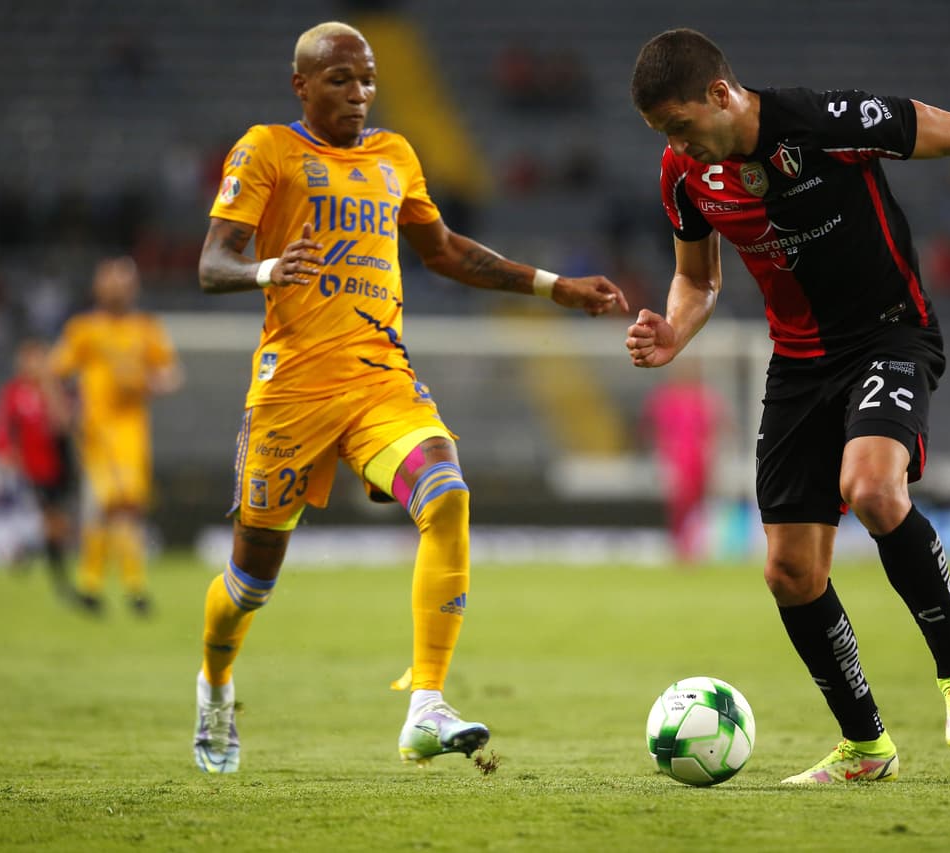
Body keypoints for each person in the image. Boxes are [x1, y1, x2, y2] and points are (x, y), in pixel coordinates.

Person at [625, 29, 950, 784]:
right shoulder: (684, 176)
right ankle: (866, 744)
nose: (677, 147)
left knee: (874, 487)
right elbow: (698, 279)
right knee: (790, 573)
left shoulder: (824, 121)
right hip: (798, 365)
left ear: (719, 95)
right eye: (665, 136)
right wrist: (672, 331)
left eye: (680, 127)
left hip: (891, 337)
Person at [193, 21, 627, 775]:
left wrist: (554, 287)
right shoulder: (266, 148)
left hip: (378, 380)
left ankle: (426, 703)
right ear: (301, 85)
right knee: (250, 584)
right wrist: (268, 270)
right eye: (340, 80)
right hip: (292, 392)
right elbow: (211, 262)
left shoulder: (396, 155)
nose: (359, 93)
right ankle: (216, 683)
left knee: (447, 491)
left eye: (366, 80)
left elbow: (447, 251)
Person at [51, 256, 182, 616]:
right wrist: (63, 413)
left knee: (128, 508)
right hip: (96, 432)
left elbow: (171, 373)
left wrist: (147, 382)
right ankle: (113, 587)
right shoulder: (84, 330)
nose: (119, 289)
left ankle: (106, 587)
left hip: (133, 433)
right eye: (112, 282)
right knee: (109, 505)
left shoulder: (145, 328)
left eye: (125, 283)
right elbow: (54, 370)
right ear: (99, 287)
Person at [0, 339, 78, 603]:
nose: (33, 365)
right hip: (31, 469)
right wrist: (5, 454)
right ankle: (60, 582)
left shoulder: (56, 389)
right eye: (28, 359)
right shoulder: (13, 393)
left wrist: (50, 387)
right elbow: (1, 429)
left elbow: (63, 424)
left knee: (58, 526)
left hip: (59, 467)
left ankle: (26, 553)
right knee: (51, 524)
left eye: (38, 358)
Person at [641, 362, 723, 562]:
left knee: (696, 505)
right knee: (679, 505)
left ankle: (693, 547)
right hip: (676, 460)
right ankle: (680, 548)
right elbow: (651, 429)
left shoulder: (702, 399)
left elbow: (713, 431)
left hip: (696, 460)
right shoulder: (665, 400)